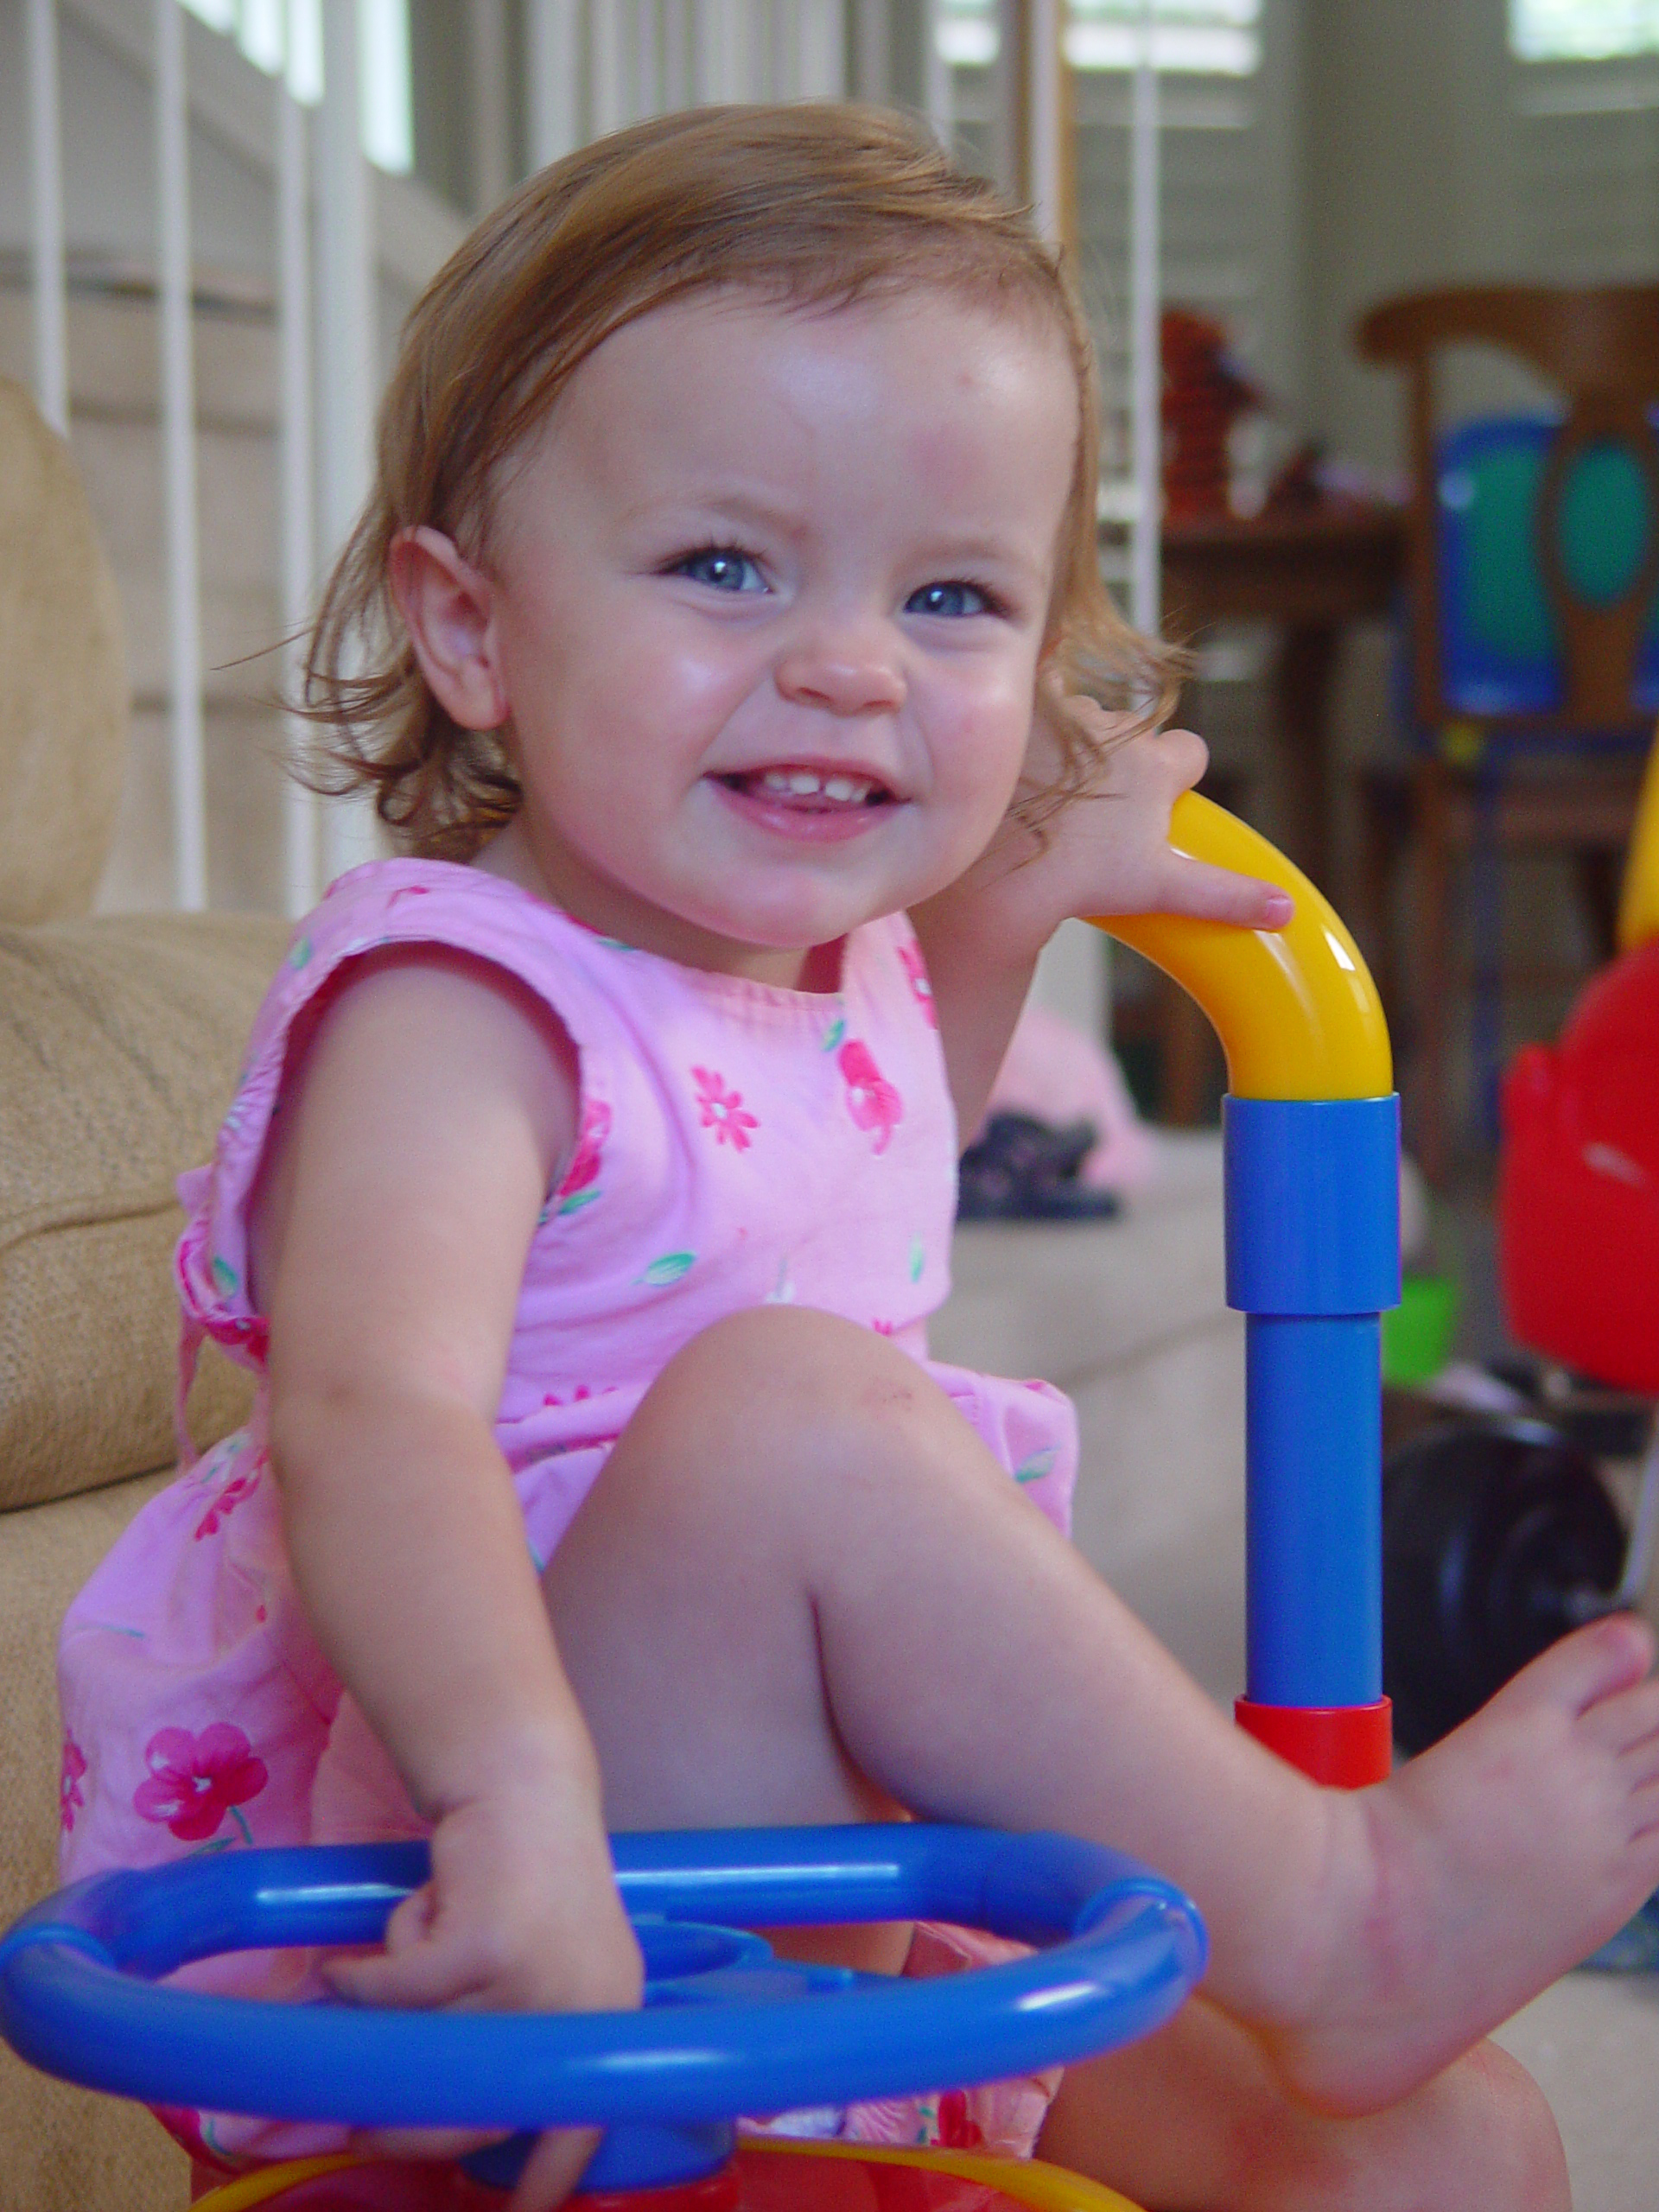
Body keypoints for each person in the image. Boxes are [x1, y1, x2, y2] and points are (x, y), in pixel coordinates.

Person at [58, 105, 1659, 2212]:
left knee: (1445, 2153)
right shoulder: (455, 1006)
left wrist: (996, 919)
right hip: (554, 1873)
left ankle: (1340, 1998)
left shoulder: (838, 972)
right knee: (806, 1412)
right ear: (470, 630)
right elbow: (376, 1416)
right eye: (725, 564)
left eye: (953, 594)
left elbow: (858, 1184)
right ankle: (1340, 1903)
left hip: (843, 1866)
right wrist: (513, 1800)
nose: (848, 658)